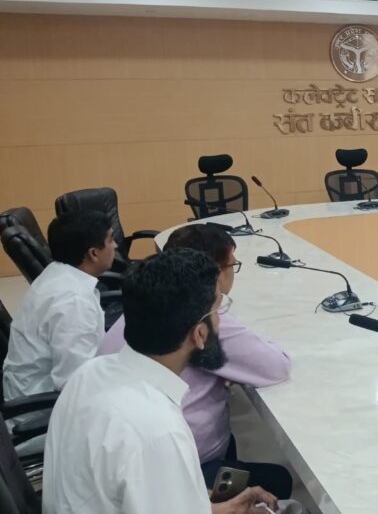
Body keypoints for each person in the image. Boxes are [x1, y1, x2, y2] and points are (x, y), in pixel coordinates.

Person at [43, 248, 278, 514]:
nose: (220, 321)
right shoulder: (157, 431)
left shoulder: (89, 372)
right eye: (217, 310)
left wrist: (217, 507)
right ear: (200, 334)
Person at [98, 224, 294, 499]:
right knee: (279, 481)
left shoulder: (142, 312)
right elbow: (275, 366)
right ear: (200, 335)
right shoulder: (162, 427)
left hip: (135, 476)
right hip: (184, 469)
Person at [3, 211, 116, 401]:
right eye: (111, 239)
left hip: (37, 391)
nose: (115, 245)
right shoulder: (73, 301)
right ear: (94, 253)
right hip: (44, 406)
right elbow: (75, 383)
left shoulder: (57, 273)